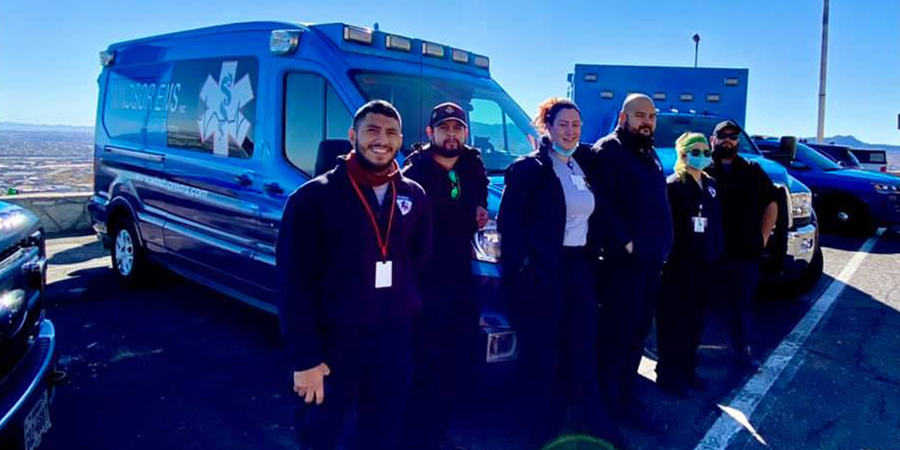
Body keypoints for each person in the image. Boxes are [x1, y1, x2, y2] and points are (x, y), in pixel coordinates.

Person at [276, 100, 432, 450]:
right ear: (352, 136)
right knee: (320, 433)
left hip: (392, 342)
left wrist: (398, 300)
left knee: (382, 432)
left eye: (391, 132)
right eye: (372, 130)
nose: (382, 139)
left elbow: (418, 257)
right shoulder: (313, 198)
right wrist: (306, 359)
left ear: (401, 139)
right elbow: (292, 284)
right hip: (333, 343)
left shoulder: (413, 195)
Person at [499, 98, 624, 449]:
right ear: (547, 128)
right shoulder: (530, 169)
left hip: (579, 269)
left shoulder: (580, 166)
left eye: (576, 125)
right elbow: (512, 227)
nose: (570, 131)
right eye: (563, 124)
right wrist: (524, 271)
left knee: (582, 346)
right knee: (542, 352)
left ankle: (591, 422)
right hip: (544, 273)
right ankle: (539, 430)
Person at [401, 102, 489, 450]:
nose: (451, 134)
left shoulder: (472, 163)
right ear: (430, 133)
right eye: (444, 128)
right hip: (424, 276)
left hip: (461, 275)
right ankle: (411, 434)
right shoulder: (415, 170)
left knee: (456, 354)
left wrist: (480, 207)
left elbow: (479, 189)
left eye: (457, 128)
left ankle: (436, 432)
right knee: (423, 356)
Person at [586, 93, 673, 430]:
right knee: (615, 337)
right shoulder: (610, 150)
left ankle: (627, 399)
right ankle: (607, 410)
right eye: (639, 115)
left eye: (651, 116)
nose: (647, 121)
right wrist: (625, 241)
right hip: (622, 266)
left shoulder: (648, 153)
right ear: (623, 117)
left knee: (637, 335)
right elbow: (601, 201)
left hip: (650, 263)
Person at [705, 120, 778, 370]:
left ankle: (742, 354)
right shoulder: (702, 169)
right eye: (722, 135)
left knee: (742, 306)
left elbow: (772, 203)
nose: (728, 140)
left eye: (733, 136)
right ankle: (696, 355)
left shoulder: (753, 170)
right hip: (709, 252)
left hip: (744, 252)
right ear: (711, 139)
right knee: (701, 304)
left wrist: (763, 237)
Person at [655, 132, 724, 397]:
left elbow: (716, 225)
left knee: (695, 322)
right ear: (682, 154)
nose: (703, 156)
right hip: (678, 267)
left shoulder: (711, 186)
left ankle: (687, 369)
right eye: (696, 151)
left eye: (706, 152)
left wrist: (716, 256)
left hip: (704, 266)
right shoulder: (672, 186)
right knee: (673, 322)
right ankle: (668, 374)